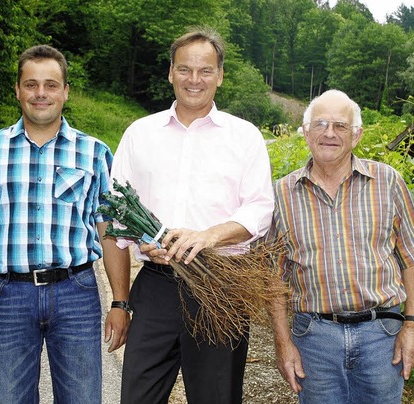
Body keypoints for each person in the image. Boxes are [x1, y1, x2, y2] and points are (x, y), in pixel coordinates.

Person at [0, 44, 131, 403]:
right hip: (7, 296)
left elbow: (110, 232)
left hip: (76, 294)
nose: (40, 93)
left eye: (50, 84)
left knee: (82, 398)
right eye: (31, 84)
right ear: (17, 90)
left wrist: (120, 302)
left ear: (65, 91)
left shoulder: (93, 153)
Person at [108, 27, 274, 403]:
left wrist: (208, 236)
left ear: (220, 75)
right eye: (184, 69)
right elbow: (117, 208)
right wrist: (143, 240)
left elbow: (260, 207)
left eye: (205, 70)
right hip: (156, 285)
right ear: (170, 72)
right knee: (138, 395)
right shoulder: (140, 133)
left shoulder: (244, 136)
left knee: (216, 396)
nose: (194, 80)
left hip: (221, 284)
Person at [267, 89, 414, 403]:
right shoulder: (281, 195)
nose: (329, 133)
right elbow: (274, 280)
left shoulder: (388, 181)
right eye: (320, 124)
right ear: (305, 133)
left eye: (340, 126)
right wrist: (282, 341)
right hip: (314, 339)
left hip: (382, 337)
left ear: (356, 135)